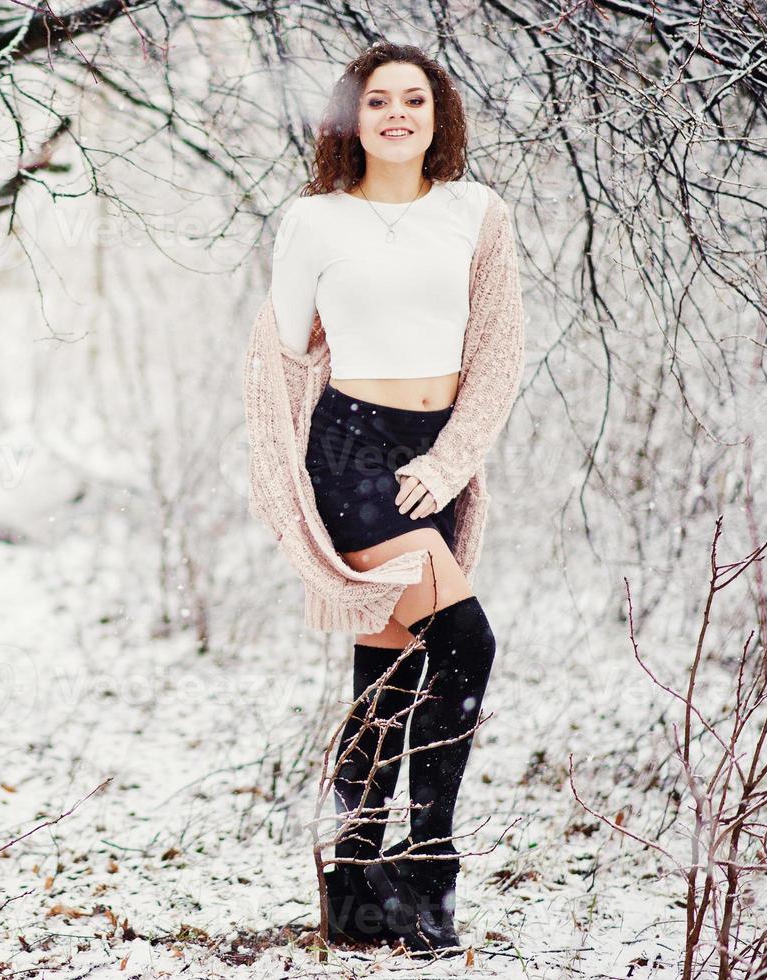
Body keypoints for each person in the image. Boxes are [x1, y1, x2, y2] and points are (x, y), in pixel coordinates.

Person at [260, 42, 527, 957]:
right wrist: (292, 489)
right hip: (350, 453)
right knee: (465, 639)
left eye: (415, 99)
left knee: (391, 668)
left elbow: (497, 354)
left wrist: (449, 463)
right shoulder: (311, 221)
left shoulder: (474, 213)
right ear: (352, 117)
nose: (397, 114)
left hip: (435, 455)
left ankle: (356, 890)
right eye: (379, 101)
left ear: (438, 115)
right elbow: (282, 362)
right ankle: (429, 873)